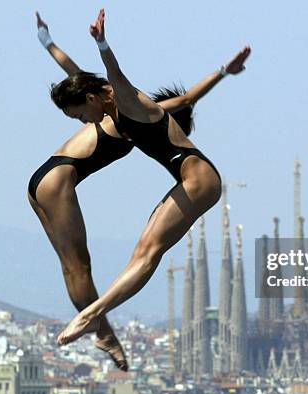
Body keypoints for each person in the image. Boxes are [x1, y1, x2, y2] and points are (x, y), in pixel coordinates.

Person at [28, 11, 251, 369]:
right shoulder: (118, 110)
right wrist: (48, 42)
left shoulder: (128, 100)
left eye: (79, 116)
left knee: (138, 255)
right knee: (135, 255)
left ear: (92, 99)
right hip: (187, 181)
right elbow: (187, 97)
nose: (84, 122)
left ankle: (93, 318)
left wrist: (101, 42)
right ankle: (96, 321)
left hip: (198, 181)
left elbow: (116, 75)